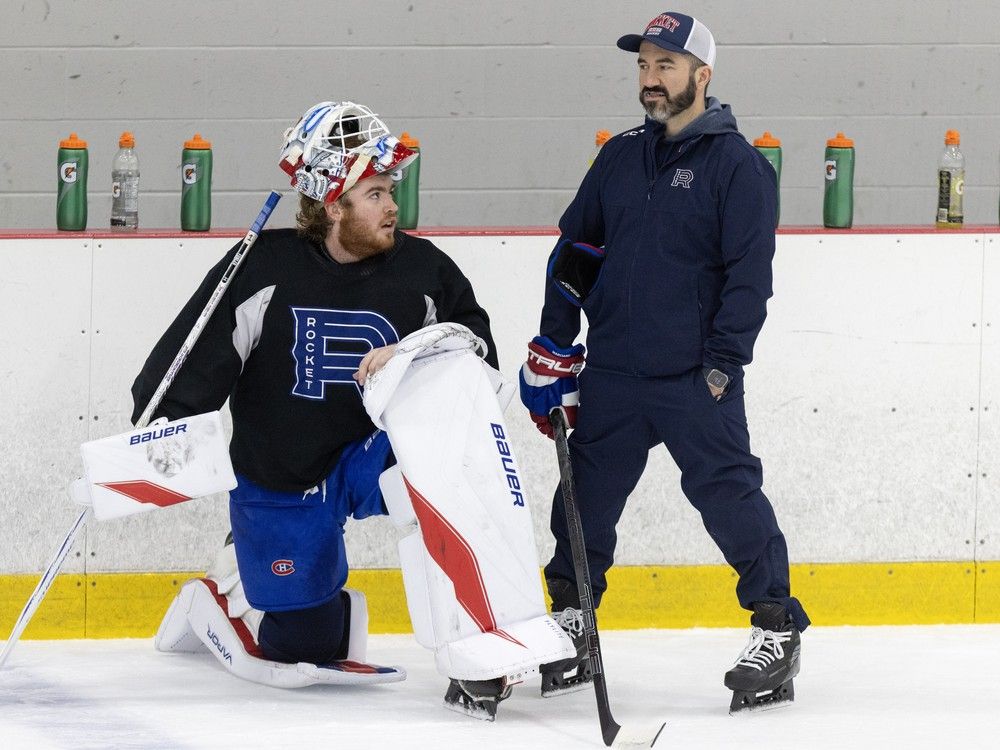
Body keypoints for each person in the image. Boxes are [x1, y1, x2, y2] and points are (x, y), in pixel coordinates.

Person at [133, 101, 529, 714]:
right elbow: (195, 360)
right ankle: (224, 587)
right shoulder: (264, 266)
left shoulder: (426, 271)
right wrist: (160, 430)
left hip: (379, 452)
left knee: (440, 476)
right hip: (282, 471)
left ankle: (479, 644)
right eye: (374, 193)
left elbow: (474, 365)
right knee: (305, 646)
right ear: (331, 204)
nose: (392, 205)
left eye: (390, 188)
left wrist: (413, 349)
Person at [519, 12, 810, 712]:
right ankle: (573, 619)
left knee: (728, 496)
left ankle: (776, 627)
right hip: (613, 370)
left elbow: (749, 279)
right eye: (644, 66)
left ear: (701, 76)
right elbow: (574, 251)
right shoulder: (620, 155)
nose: (651, 80)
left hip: (692, 377)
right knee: (584, 501)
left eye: (666, 66)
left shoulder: (738, 166)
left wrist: (721, 365)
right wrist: (554, 349)